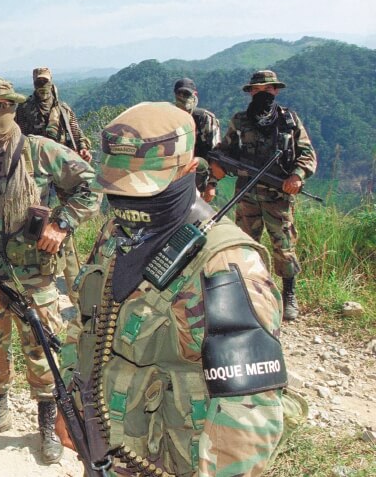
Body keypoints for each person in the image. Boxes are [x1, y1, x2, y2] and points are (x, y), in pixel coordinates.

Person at [57, 101, 288, 476]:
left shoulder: (226, 265)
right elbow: (86, 323)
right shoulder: (117, 235)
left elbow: (249, 421)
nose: (128, 202)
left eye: (143, 188)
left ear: (190, 171)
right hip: (106, 451)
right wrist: (72, 403)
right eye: (119, 187)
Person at [0, 78, 99, 465]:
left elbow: (91, 186)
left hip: (30, 272)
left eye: (0, 106)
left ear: (13, 107)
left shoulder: (38, 151)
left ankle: (47, 419)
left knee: (41, 346)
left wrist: (61, 226)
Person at [209, 70, 317, 321]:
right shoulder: (240, 121)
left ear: (275, 91)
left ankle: (288, 295)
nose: (262, 94)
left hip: (278, 197)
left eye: (267, 90)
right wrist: (217, 170)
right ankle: (246, 294)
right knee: (244, 246)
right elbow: (223, 151)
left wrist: (298, 175)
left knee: (284, 248)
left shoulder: (289, 121)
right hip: (246, 196)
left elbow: (307, 153)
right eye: (257, 90)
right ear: (251, 93)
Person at [15, 66, 92, 321]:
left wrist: (81, 149)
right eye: (38, 82)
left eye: (45, 81)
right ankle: (40, 278)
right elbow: (17, 137)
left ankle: (76, 291)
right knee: (35, 222)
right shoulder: (25, 109)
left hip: (62, 168)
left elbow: (76, 133)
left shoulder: (63, 108)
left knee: (65, 226)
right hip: (34, 169)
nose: (42, 86)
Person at [173, 77, 221, 202]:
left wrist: (212, 184)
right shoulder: (171, 117)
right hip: (175, 177)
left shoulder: (205, 119)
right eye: (179, 94)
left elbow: (216, 153)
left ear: (195, 95)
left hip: (198, 175)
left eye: (187, 94)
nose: (182, 97)